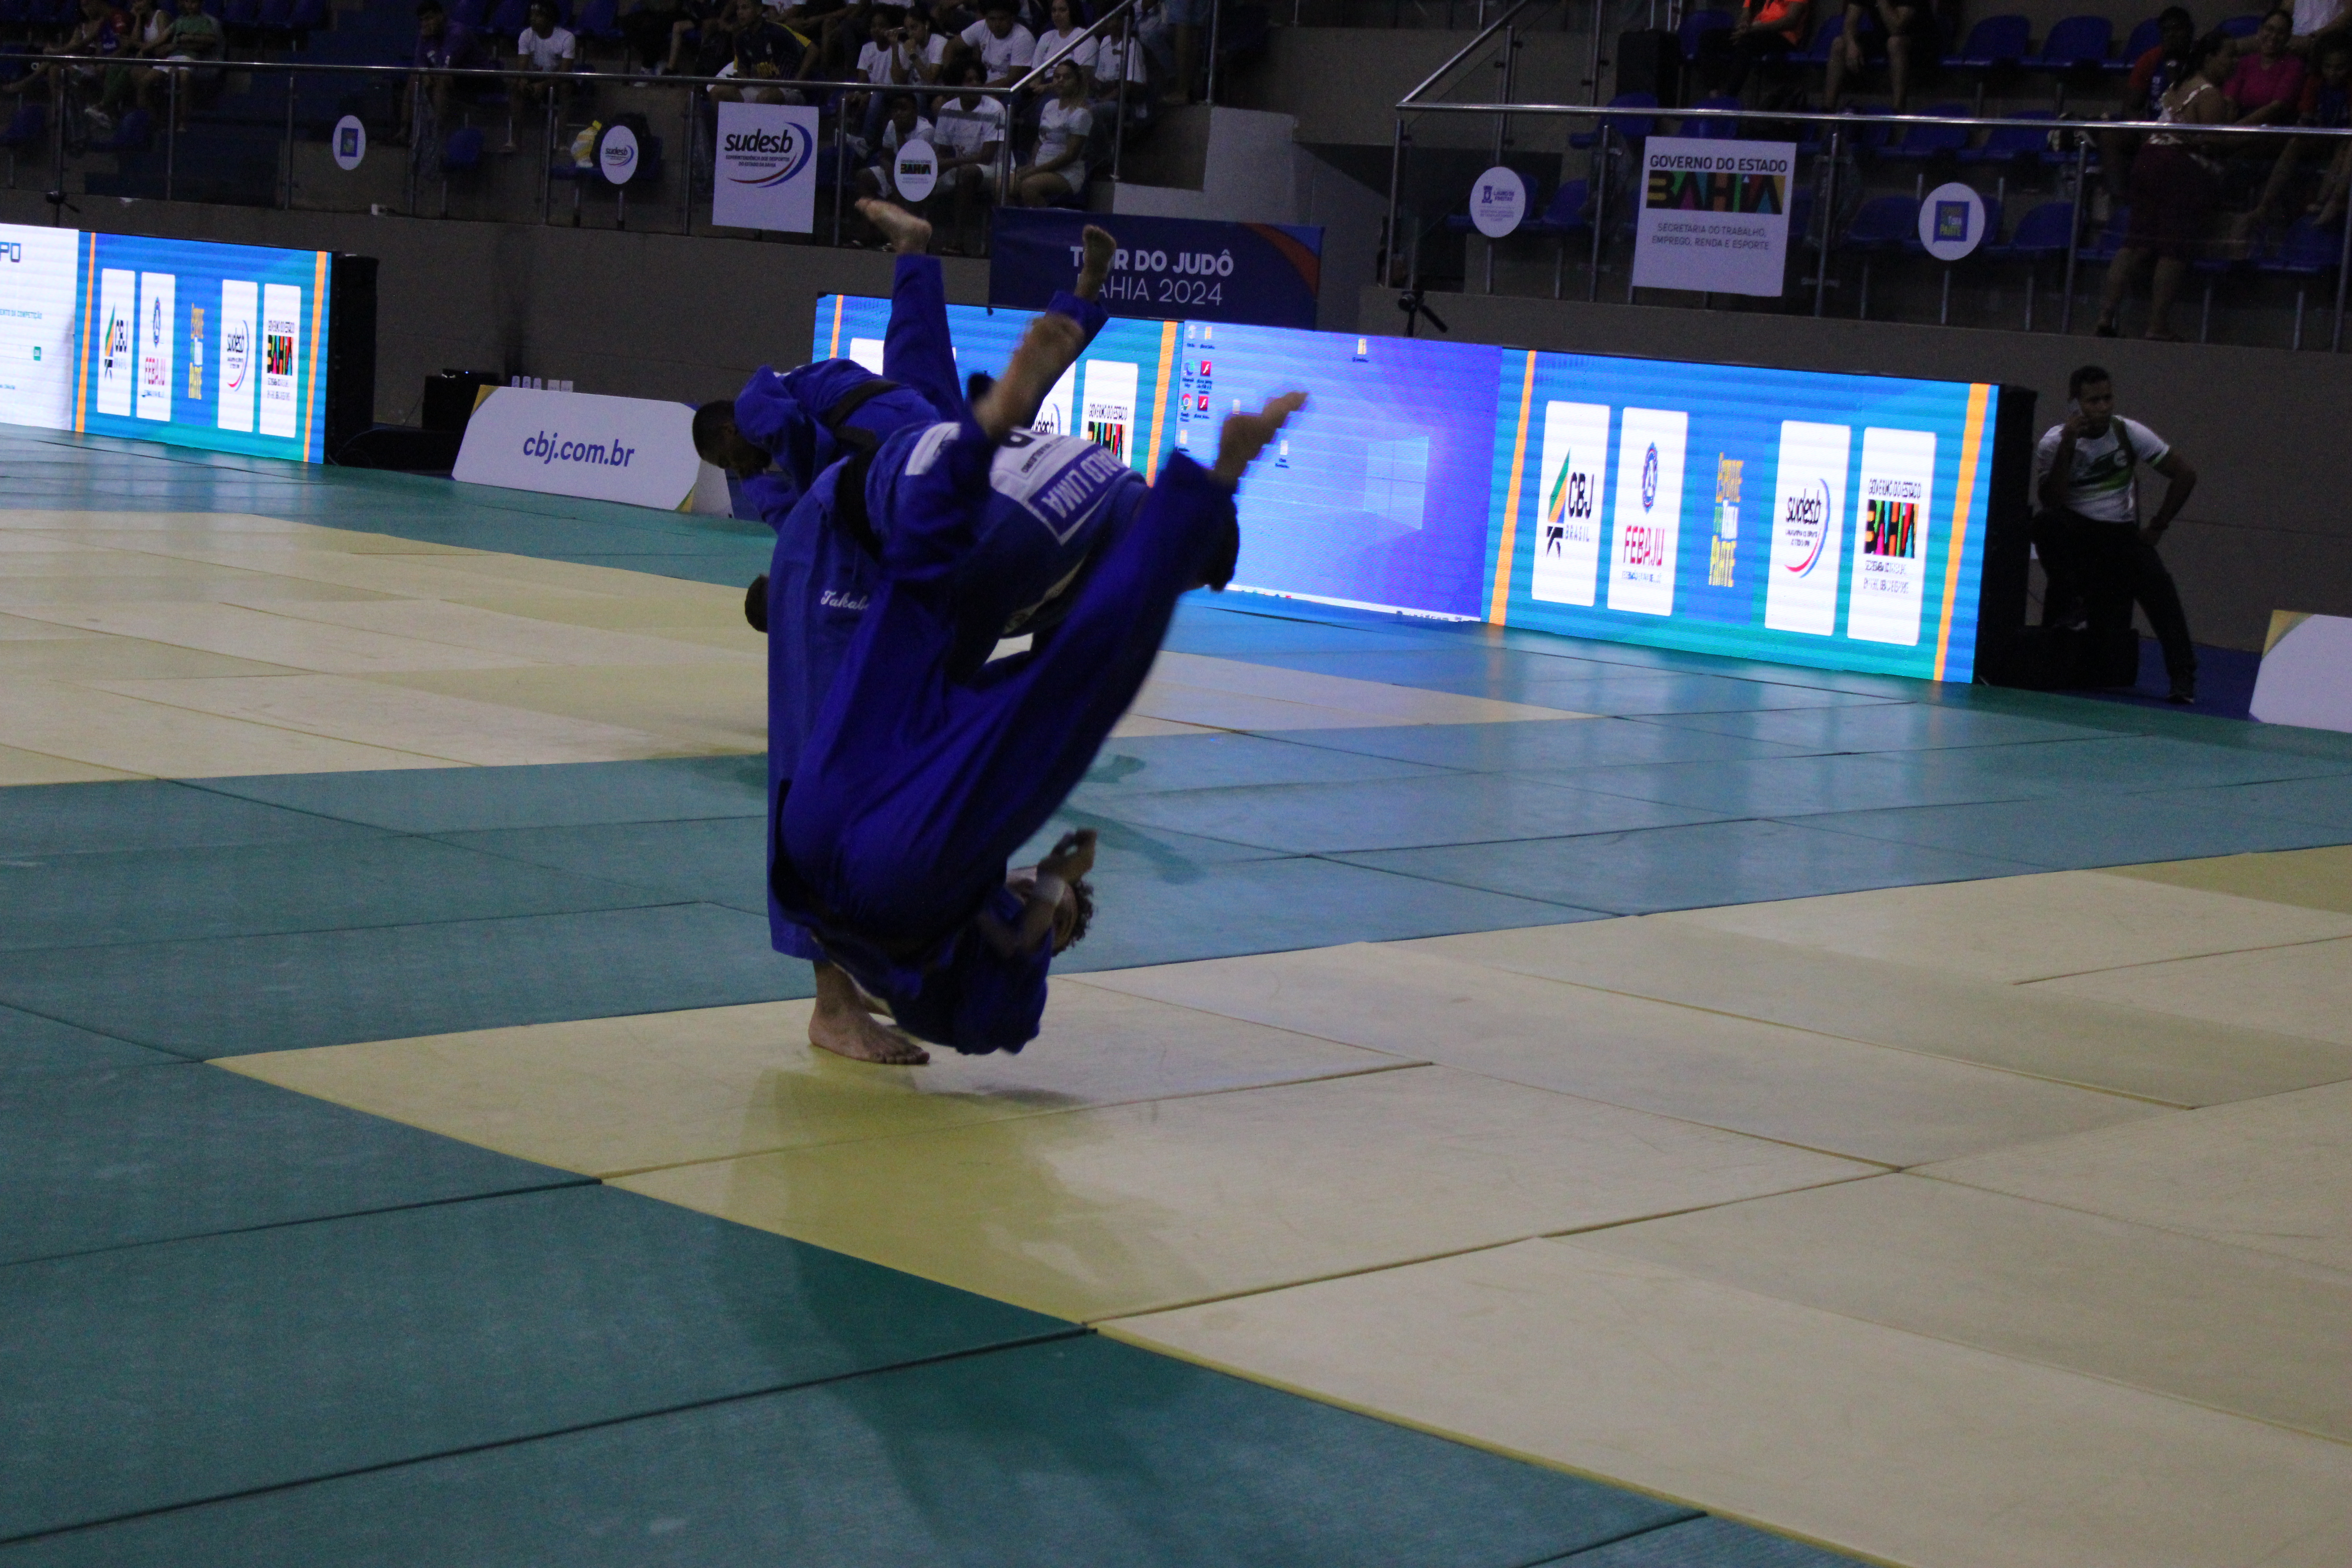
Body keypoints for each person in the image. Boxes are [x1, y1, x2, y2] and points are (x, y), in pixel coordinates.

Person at [773, 321, 1305, 1062]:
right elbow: (1063, 668)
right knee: (1062, 697)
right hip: (868, 856)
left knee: (927, 630)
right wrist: (1049, 890)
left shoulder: (1098, 490)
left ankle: (996, 424)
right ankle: (836, 1007)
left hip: (832, 809)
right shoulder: (1040, 547)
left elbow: (936, 601)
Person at [2033, 365, 2200, 703]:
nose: (2103, 408)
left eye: (2107, 399)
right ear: (2075, 405)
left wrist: (2158, 526)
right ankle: (2074, 602)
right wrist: (2068, 446)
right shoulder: (2053, 443)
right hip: (2076, 528)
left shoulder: (2129, 433)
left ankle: (2182, 675)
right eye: (2093, 401)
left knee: (2159, 587)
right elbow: (2052, 499)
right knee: (2045, 522)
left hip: (2120, 531)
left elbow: (2185, 474)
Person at [2095, 36, 2232, 340]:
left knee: (2134, 243)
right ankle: (2157, 325)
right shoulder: (2210, 95)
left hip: (2149, 159)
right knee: (2172, 249)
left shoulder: (2177, 86)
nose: (2233, 63)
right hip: (2178, 168)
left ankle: (2106, 316)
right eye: (2229, 56)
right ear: (2209, 58)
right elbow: (2212, 143)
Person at [2101, 6, 2199, 206]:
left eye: (2177, 29)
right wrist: (2145, 132)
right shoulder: (2150, 60)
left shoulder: (2201, 60)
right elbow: (2131, 106)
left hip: (2190, 131)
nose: (2171, 35)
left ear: (2190, 31)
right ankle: (2121, 203)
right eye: (2166, 31)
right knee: (2109, 135)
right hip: (2153, 130)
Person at [930, 56, 1006, 250]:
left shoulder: (995, 109)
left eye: (978, 79)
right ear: (957, 85)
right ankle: (915, 239)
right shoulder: (948, 109)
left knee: (967, 173)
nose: (975, 84)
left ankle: (958, 242)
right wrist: (935, 167)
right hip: (958, 167)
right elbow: (943, 152)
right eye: (969, 80)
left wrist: (946, 164)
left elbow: (986, 157)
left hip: (995, 169)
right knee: (915, 173)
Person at [1824, 0, 1935, 111]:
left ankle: (1898, 111)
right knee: (1839, 44)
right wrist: (1851, 44)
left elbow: (1896, 28)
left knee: (1895, 43)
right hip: (1884, 37)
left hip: (1920, 41)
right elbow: (1850, 23)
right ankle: (1827, 111)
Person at [1012, 57, 1090, 204]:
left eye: (1067, 77)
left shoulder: (1081, 114)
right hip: (1039, 168)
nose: (1060, 80)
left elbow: (1071, 156)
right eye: (1057, 77)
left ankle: (1042, 218)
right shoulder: (1050, 105)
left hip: (1066, 174)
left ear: (1078, 82)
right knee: (1002, 184)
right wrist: (1032, 164)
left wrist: (1036, 170)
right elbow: (1040, 140)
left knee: (1029, 185)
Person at [133, 0, 221, 129]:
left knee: (184, 79)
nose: (190, 5)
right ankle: (153, 120)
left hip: (189, 57)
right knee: (145, 82)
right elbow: (163, 37)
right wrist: (145, 49)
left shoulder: (205, 21)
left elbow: (211, 40)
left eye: (193, 2)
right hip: (172, 57)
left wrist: (190, 38)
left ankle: (182, 121)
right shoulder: (179, 21)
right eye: (187, 2)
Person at [1697, 0, 1809, 100]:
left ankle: (1729, 97)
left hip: (1783, 37)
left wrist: (1754, 29)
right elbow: (1746, 13)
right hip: (1754, 32)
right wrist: (1745, 25)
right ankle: (1714, 94)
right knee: (1708, 38)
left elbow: (1791, 21)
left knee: (1747, 41)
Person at [854, 90, 935, 202]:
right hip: (899, 171)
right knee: (863, 176)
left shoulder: (925, 131)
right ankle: (873, 213)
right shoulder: (892, 124)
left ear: (916, 111)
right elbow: (885, 156)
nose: (898, 113)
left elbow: (910, 165)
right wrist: (887, 166)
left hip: (922, 174)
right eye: (895, 110)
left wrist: (899, 132)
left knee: (906, 182)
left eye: (904, 109)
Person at [961, 0, 1034, 85]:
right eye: (992, 19)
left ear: (1012, 18)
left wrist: (980, 90)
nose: (997, 24)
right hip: (982, 86)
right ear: (986, 18)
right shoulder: (981, 26)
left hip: (1004, 91)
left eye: (1002, 19)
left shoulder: (1023, 38)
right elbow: (951, 47)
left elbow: (1013, 80)